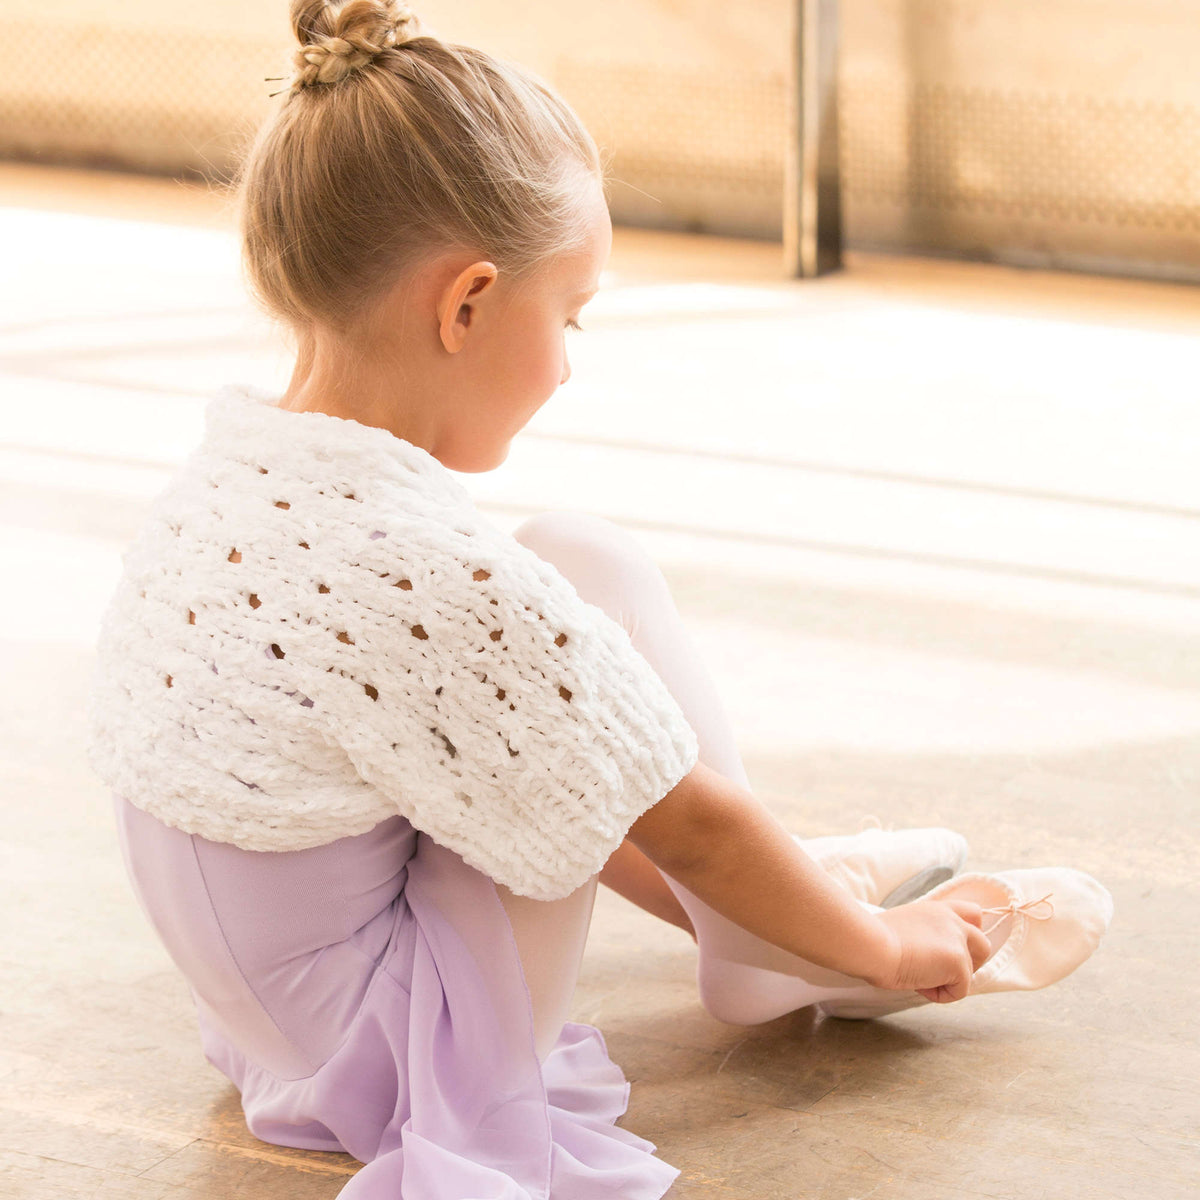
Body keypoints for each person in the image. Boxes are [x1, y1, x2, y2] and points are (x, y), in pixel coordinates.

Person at [85, 3, 1114, 1196]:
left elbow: (551, 780)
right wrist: (884, 949)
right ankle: (788, 940)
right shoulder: (417, 572)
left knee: (578, 569)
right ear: (466, 305)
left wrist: (746, 894)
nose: (569, 362)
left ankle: (763, 932)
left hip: (277, 1015)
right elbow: (680, 821)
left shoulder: (236, 477)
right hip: (381, 1048)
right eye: (568, 315)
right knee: (570, 648)